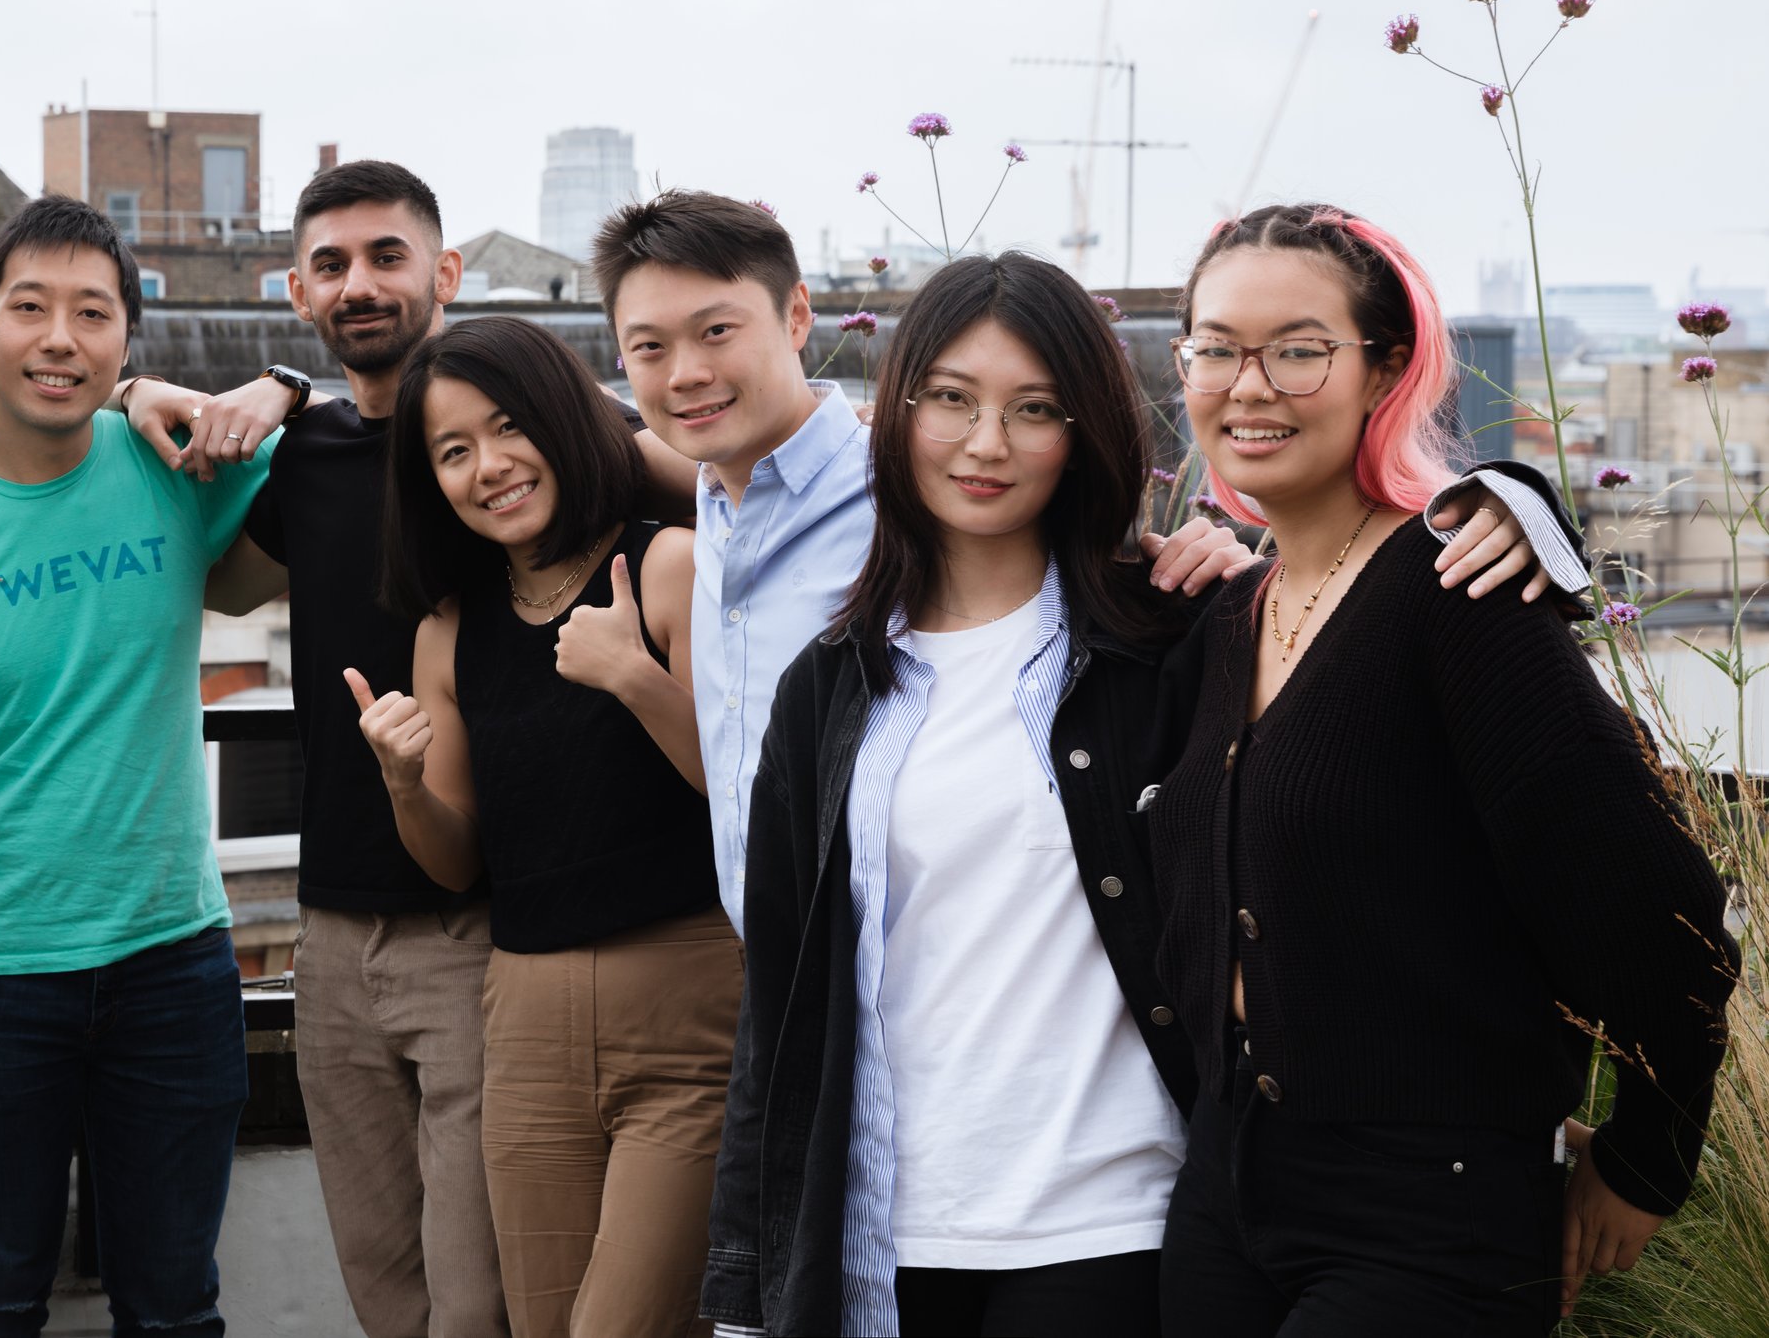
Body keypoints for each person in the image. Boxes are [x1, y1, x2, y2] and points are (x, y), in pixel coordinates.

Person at [589, 190, 1582, 943]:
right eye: (649, 347)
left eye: (1032, 409)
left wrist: (1514, 502)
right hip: (794, 982)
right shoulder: (721, 497)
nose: (982, 445)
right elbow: (547, 438)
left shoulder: (943, 504)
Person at [1148, 203, 1739, 1334]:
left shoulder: (1461, 595)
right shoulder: (1230, 615)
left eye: (1299, 348)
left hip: (1428, 1210)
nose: (1249, 383)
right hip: (1224, 1186)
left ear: (1384, 370)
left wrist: (1649, 1154)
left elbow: (1659, 907)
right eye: (1215, 347)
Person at [132, 160, 696, 1338]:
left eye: (388, 256)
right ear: (295, 291)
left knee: (481, 1295)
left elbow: (754, 489)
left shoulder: (549, 436)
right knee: (388, 1284)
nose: (361, 285)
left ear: (443, 273)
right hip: (334, 926)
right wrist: (163, 388)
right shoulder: (307, 457)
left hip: (495, 921)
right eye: (330, 266)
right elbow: (182, 530)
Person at [705, 251, 1245, 1337]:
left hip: (1105, 1224)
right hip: (884, 1239)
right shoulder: (832, 684)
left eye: (1033, 408)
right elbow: (782, 1005)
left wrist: (1256, 572)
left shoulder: (1169, 643)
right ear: (898, 410)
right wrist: (742, 1287)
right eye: (951, 397)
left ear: (1083, 431)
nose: (986, 443)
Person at [0, 196, 276, 1336]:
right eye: (28, 307)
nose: (59, 338)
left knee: (177, 1308)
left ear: (128, 338)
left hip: (171, 960)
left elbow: (347, 455)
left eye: (93, 312)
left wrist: (276, 381)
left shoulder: (171, 463)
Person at [351, 315, 729, 1338]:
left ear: (564, 417)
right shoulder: (448, 629)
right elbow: (456, 857)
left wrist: (633, 677)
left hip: (690, 1008)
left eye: (508, 425)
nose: (490, 466)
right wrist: (401, 779)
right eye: (454, 449)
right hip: (524, 1026)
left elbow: (741, 790)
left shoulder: (670, 567)